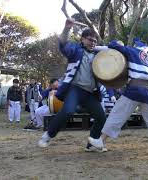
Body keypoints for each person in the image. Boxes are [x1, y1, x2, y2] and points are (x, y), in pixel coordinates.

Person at [38, 19, 107, 153]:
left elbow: (113, 48)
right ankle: (48, 135)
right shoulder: (75, 50)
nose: (93, 42)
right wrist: (66, 28)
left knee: (101, 117)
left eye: (95, 41)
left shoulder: (98, 54)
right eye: (90, 40)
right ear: (82, 39)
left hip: (90, 93)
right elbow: (63, 43)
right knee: (68, 111)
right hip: (75, 89)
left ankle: (91, 144)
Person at [88, 38, 148, 154]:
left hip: (135, 89)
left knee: (117, 113)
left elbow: (114, 46)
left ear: (136, 46)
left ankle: (101, 140)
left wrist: (95, 48)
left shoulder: (132, 51)